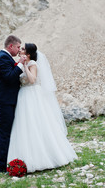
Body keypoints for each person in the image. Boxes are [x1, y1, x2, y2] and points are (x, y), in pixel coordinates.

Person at [7, 43, 77, 173]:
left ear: (28, 54)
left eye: (23, 49)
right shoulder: (23, 63)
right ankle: (26, 157)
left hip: (33, 95)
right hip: (23, 96)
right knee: (25, 124)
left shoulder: (32, 63)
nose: (20, 50)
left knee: (38, 122)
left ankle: (48, 156)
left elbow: (32, 80)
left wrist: (25, 67)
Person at [0, 35, 26, 172]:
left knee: (1, 132)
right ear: (10, 46)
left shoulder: (5, 57)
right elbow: (10, 77)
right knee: (4, 134)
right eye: (17, 47)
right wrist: (21, 63)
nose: (18, 50)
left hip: (3, 100)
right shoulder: (3, 57)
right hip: (3, 101)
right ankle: (1, 165)